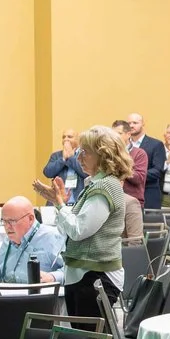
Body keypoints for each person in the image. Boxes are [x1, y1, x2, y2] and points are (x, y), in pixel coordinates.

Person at [32, 124, 129, 319]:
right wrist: (60, 203)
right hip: (84, 273)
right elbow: (65, 230)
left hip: (96, 276)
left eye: (85, 152)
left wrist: (58, 204)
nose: (79, 157)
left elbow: (78, 230)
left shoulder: (105, 187)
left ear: (103, 156)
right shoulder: (93, 184)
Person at [0, 197, 64, 285]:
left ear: (30, 219)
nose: (7, 227)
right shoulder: (7, 241)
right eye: (4, 221)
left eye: (12, 221)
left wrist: (52, 277)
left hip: (42, 296)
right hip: (10, 296)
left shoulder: (53, 237)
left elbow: (74, 272)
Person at [42, 131, 87, 203]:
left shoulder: (84, 154)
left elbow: (86, 173)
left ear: (78, 140)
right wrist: (63, 159)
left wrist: (71, 158)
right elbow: (47, 172)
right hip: (58, 202)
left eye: (69, 137)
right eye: (64, 137)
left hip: (79, 202)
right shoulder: (56, 155)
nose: (66, 139)